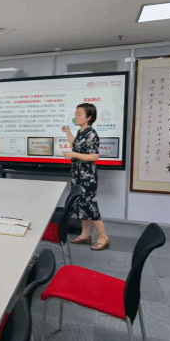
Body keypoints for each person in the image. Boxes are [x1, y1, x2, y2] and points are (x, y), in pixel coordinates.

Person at [61, 103, 110, 251]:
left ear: (89, 117)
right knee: (82, 205)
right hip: (78, 175)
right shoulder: (81, 132)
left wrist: (73, 154)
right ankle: (85, 235)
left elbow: (94, 156)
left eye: (79, 114)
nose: (75, 117)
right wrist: (68, 132)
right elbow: (75, 145)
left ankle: (103, 237)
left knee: (90, 205)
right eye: (75, 114)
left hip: (88, 176)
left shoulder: (91, 134)